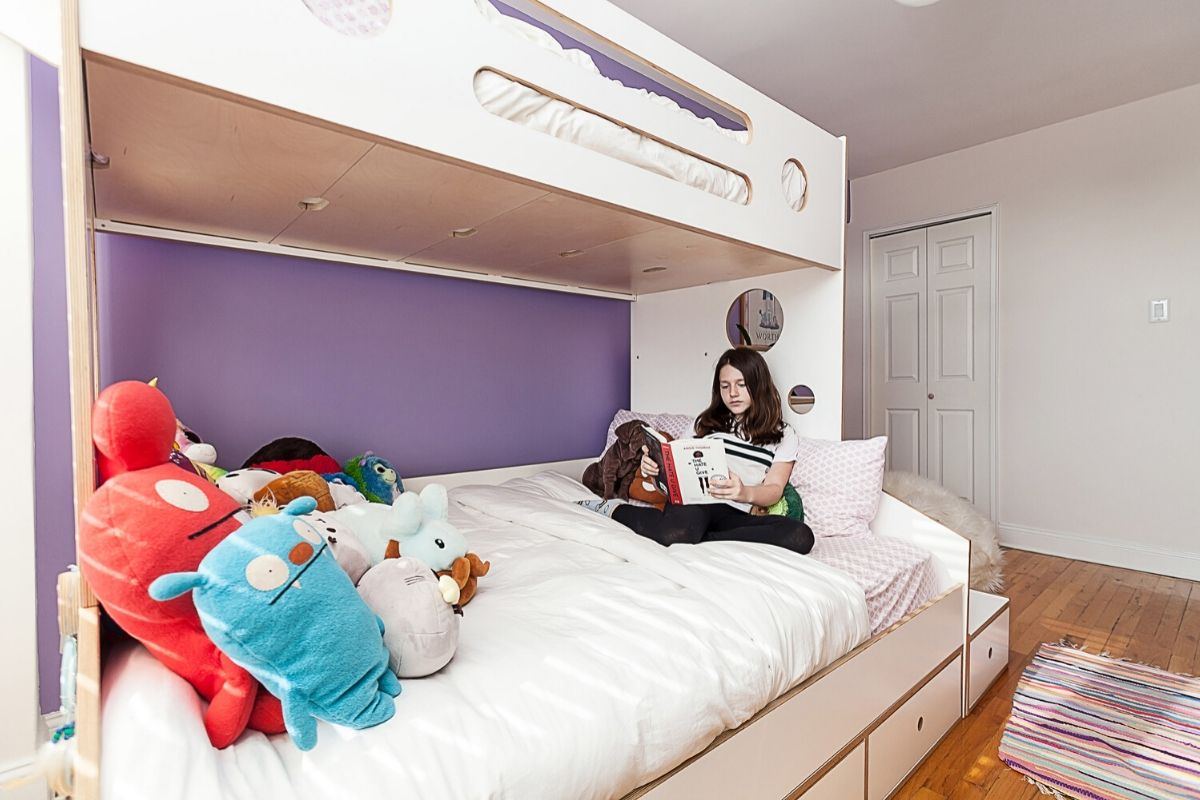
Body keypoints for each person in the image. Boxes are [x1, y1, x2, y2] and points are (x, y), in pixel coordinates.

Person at [578, 347, 814, 555]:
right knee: (676, 532)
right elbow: (674, 467)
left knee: (800, 536)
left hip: (737, 513)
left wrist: (743, 492)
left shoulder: (783, 434)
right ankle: (614, 510)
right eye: (725, 386)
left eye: (741, 385)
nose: (732, 393)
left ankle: (700, 539)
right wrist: (651, 470)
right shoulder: (705, 424)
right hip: (694, 504)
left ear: (758, 385)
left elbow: (773, 490)